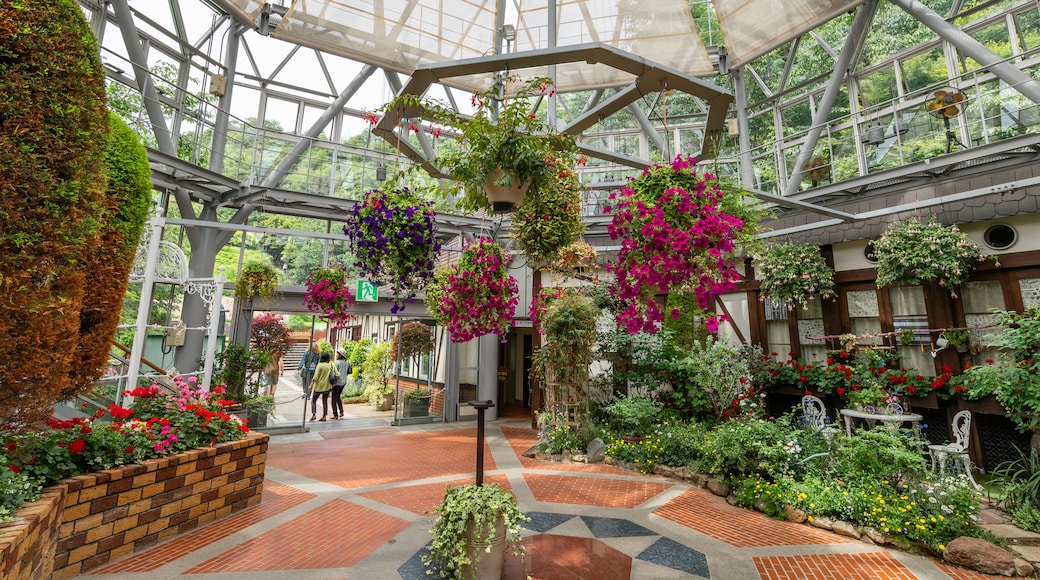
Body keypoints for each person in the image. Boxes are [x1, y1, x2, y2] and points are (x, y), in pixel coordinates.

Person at [310, 351, 334, 421]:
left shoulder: (319, 365)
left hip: (318, 387)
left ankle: (314, 414)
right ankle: (324, 416)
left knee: (314, 400)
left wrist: (311, 385)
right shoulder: (329, 365)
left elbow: (316, 376)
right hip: (327, 386)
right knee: (325, 401)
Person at [331, 348, 351, 420]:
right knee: (338, 397)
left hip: (337, 383)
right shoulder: (347, 361)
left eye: (337, 353)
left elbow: (333, 373)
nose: (336, 355)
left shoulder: (337, 363)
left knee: (333, 399)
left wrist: (332, 383)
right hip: (343, 382)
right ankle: (341, 411)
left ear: (340, 355)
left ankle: (335, 414)